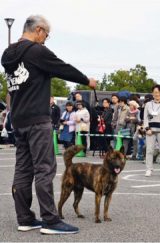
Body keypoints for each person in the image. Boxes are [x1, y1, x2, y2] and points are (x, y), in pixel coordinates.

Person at [1, 15, 97, 234]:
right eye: (46, 35)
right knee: (45, 168)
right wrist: (87, 81)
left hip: (19, 119)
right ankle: (51, 221)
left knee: (23, 169)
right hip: (37, 119)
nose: (45, 40)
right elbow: (62, 67)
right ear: (38, 30)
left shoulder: (7, 54)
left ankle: (25, 218)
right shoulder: (36, 51)